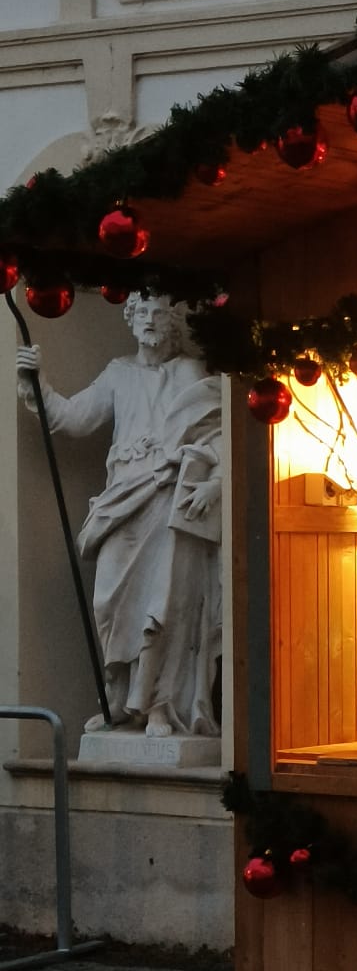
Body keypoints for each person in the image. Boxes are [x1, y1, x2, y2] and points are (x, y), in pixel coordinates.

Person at [16, 294, 223, 738]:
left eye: (159, 313)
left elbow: (216, 434)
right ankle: (118, 698)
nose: (149, 321)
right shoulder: (118, 373)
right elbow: (73, 419)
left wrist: (213, 483)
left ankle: (160, 705)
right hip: (121, 498)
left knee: (163, 603)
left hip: (168, 498)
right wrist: (39, 383)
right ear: (130, 320)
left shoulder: (189, 373)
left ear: (172, 322)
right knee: (109, 600)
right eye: (141, 313)